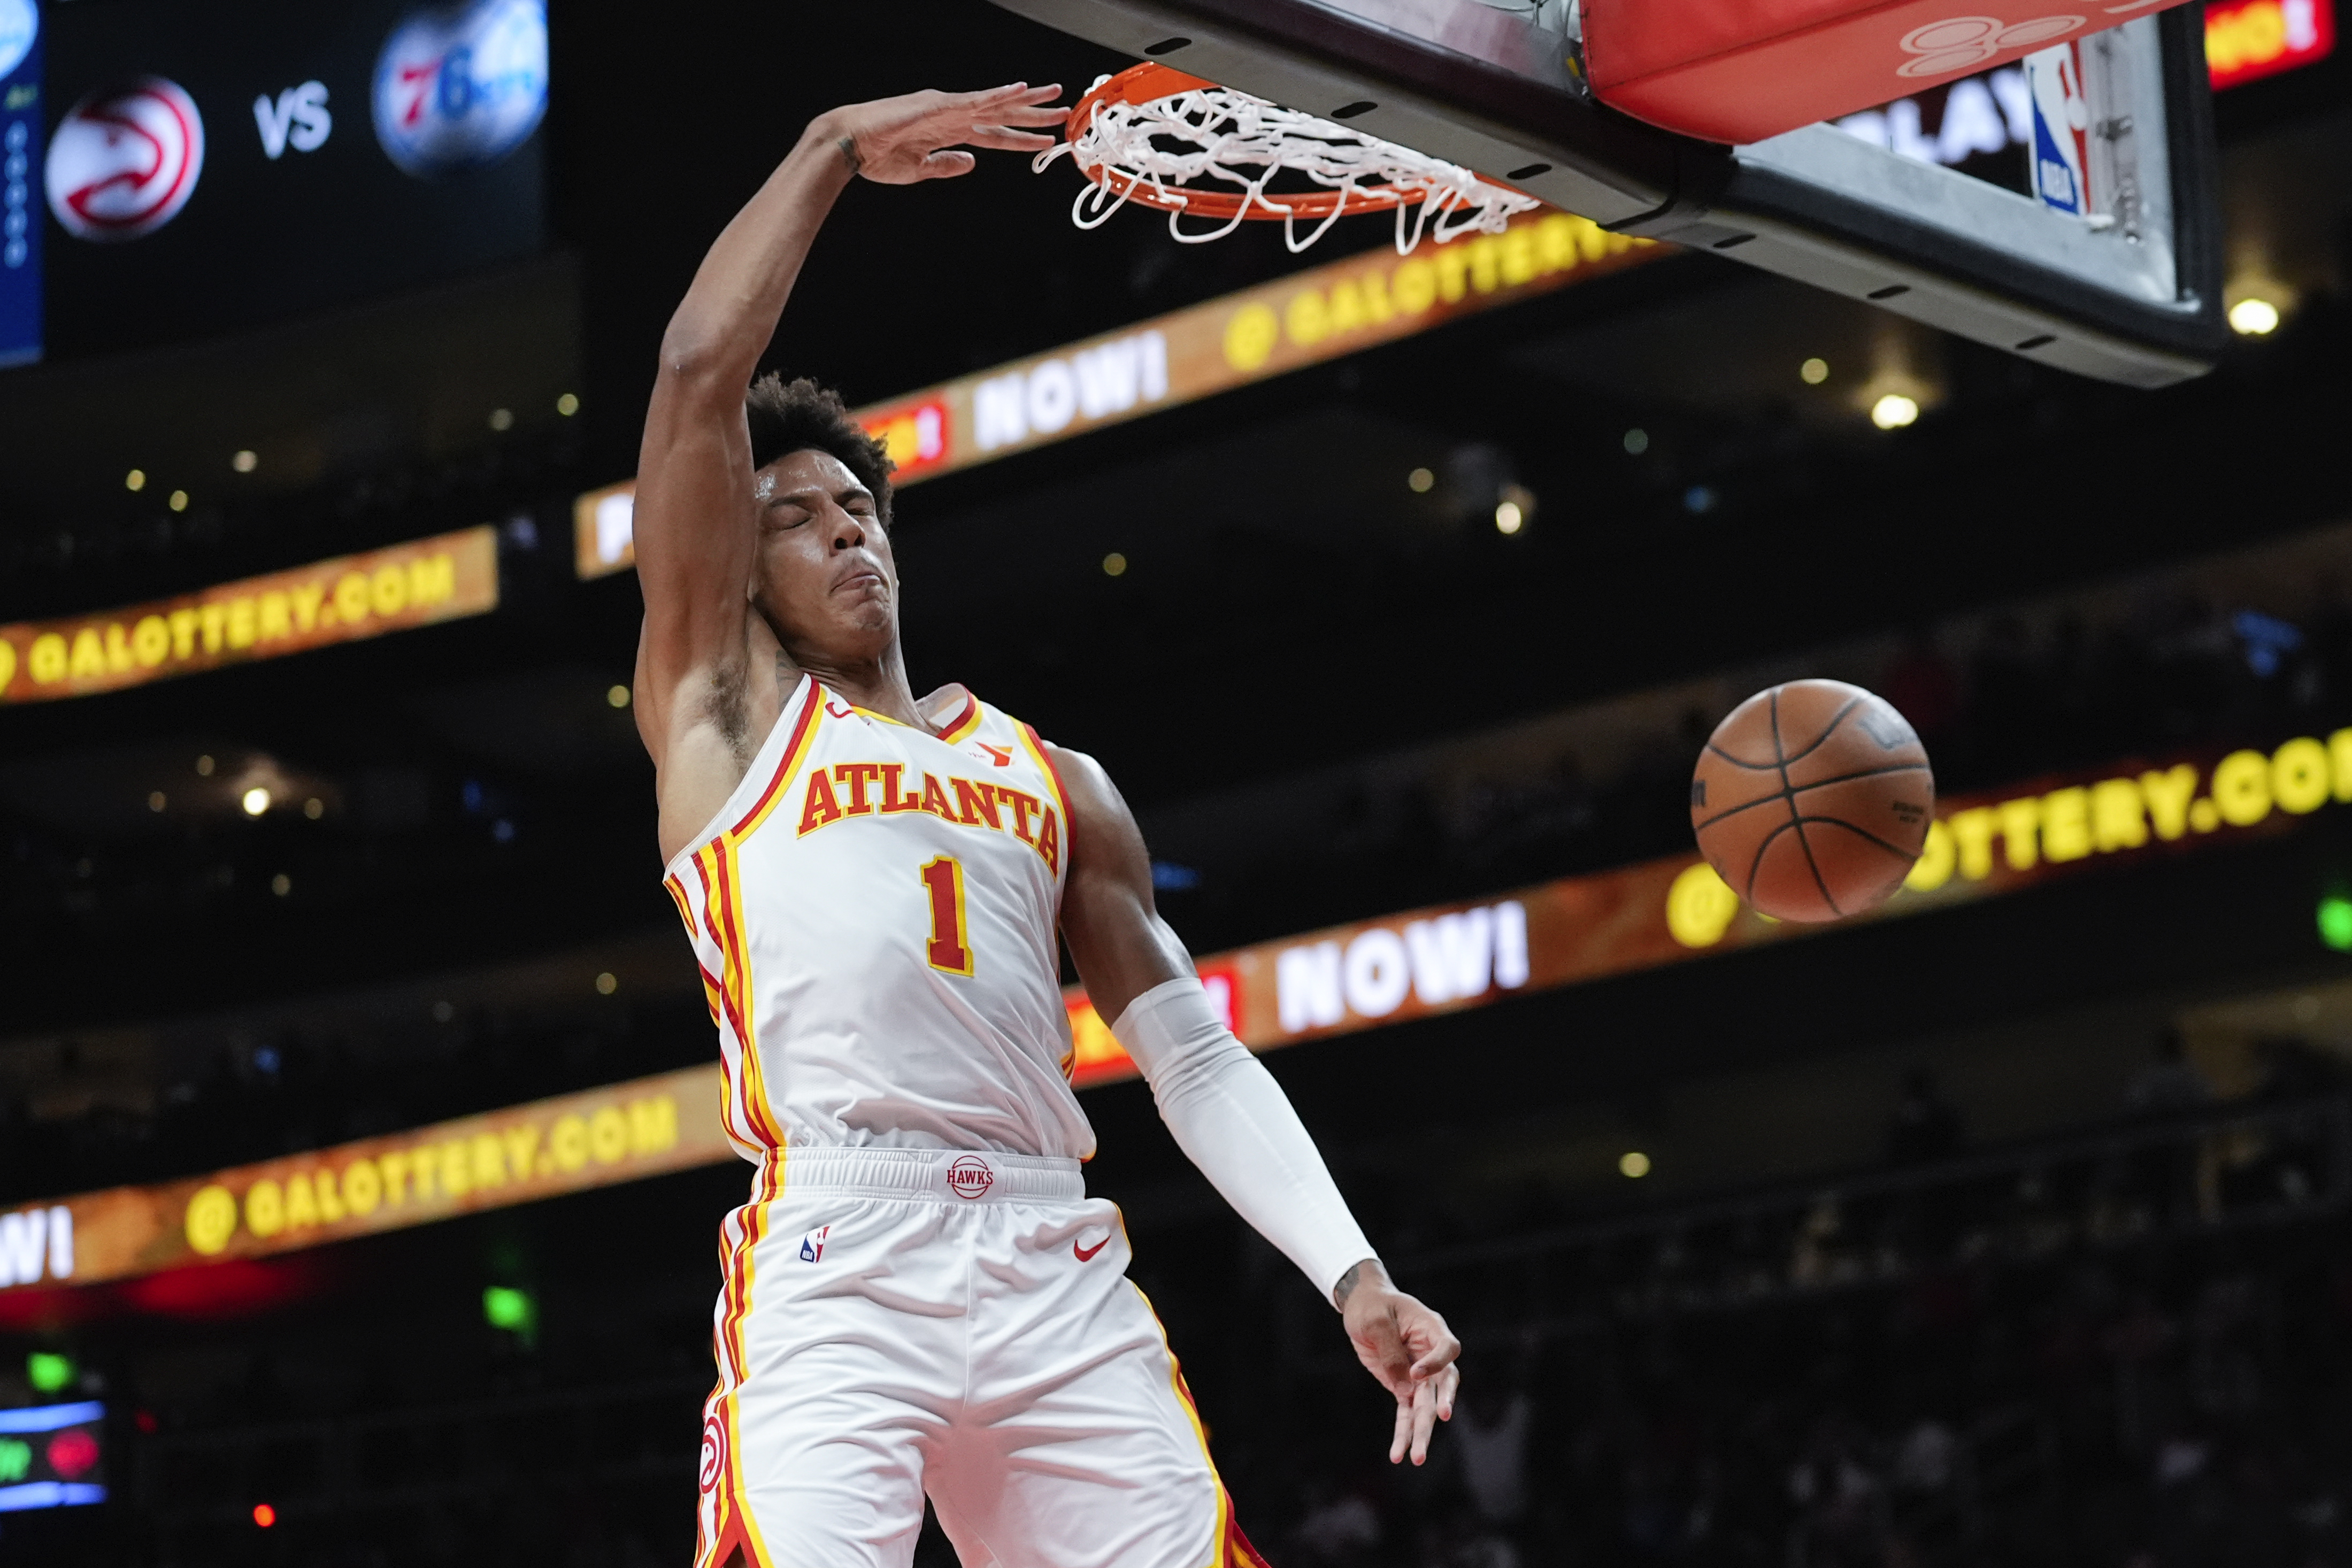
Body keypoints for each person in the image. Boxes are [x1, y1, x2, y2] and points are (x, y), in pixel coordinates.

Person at [628, 84, 1462, 1568]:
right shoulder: (727, 717)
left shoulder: (1052, 775)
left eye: (858, 506)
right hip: (838, 1249)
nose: (844, 528)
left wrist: (1353, 1273)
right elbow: (700, 372)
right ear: (735, 578)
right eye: (797, 517)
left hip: (1046, 1252)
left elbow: (1191, 1054)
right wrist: (826, 149)